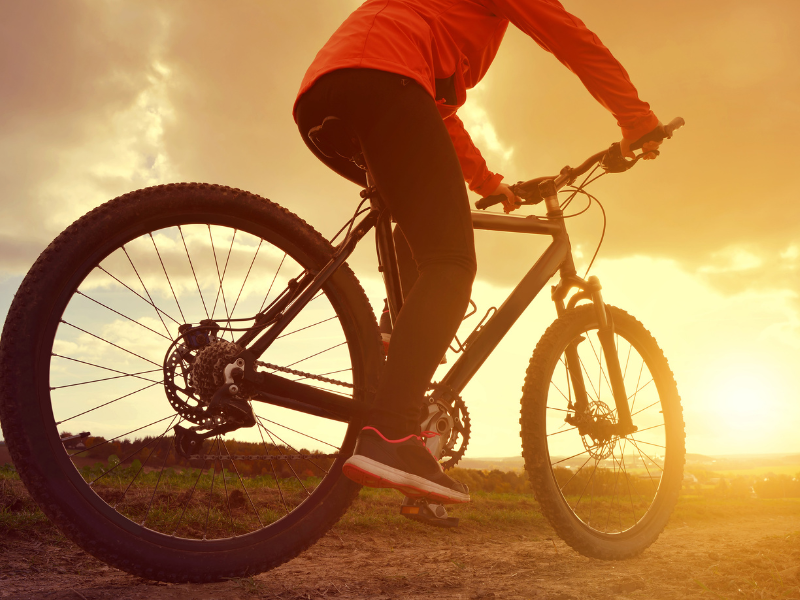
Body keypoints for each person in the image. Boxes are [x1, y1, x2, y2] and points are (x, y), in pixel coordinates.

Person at [294, 0, 662, 505]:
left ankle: (392, 336)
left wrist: (488, 182)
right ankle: (393, 433)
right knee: (451, 262)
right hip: (385, 81)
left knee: (421, 218)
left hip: (326, 92)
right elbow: (571, 38)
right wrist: (635, 118)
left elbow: (437, 110)